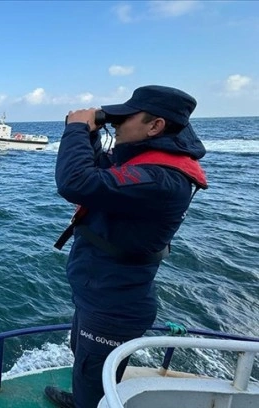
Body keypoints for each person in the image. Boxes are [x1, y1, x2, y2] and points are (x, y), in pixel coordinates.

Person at [45, 85, 208, 408]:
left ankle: (88, 402)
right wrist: (91, 134)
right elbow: (98, 173)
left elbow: (76, 183)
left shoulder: (160, 180)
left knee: (95, 378)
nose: (116, 124)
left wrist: (76, 129)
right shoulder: (144, 163)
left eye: (125, 118)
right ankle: (84, 399)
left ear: (155, 126)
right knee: (85, 360)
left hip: (113, 304)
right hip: (100, 291)